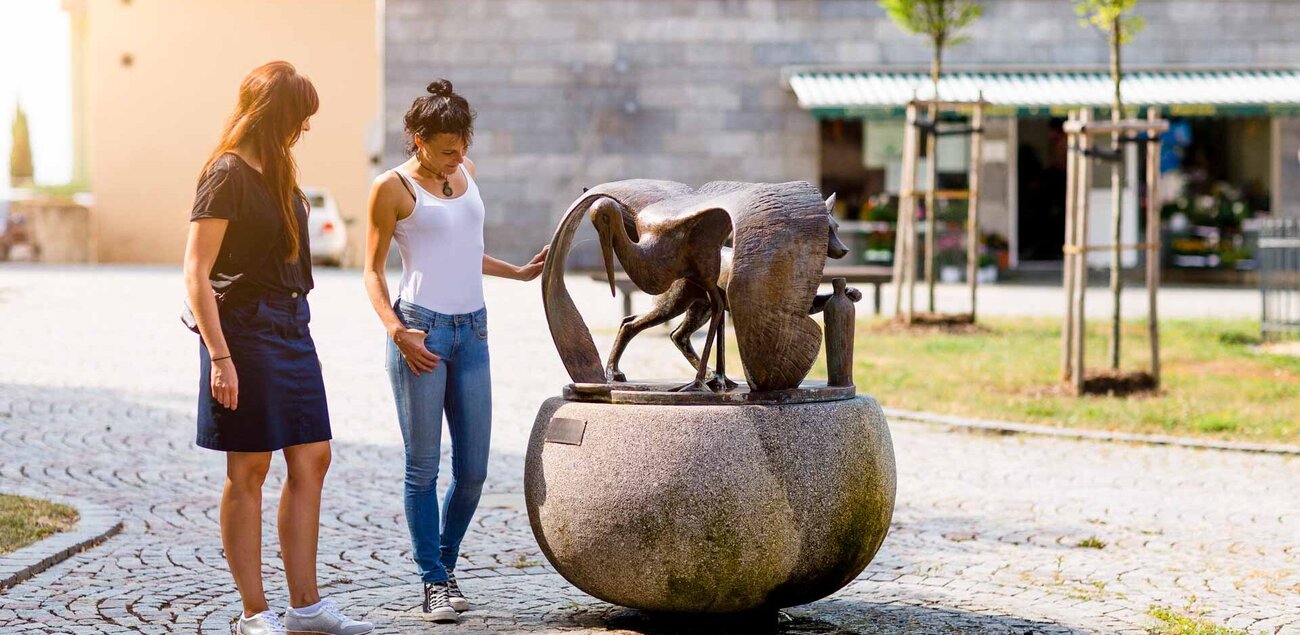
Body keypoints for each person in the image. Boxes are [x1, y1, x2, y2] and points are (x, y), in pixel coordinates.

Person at [182, 61, 373, 635]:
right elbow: (196, 272)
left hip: (293, 325)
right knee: (249, 468)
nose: (303, 129)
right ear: (273, 115)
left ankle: (306, 608)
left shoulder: (278, 170)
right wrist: (220, 356)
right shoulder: (226, 173)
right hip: (242, 330)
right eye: (298, 118)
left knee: (313, 456)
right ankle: (253, 613)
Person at [363, 79, 547, 624]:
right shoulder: (391, 188)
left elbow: (465, 249)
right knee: (423, 468)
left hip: (474, 333)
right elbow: (371, 272)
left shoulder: (465, 175)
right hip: (420, 333)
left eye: (463, 146)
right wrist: (397, 331)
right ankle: (433, 582)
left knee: (473, 472)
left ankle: (444, 566)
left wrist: (514, 273)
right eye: (446, 149)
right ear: (417, 139)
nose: (457, 157)